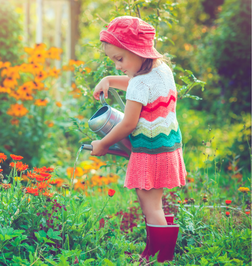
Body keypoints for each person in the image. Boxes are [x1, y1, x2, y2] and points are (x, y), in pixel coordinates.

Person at [90, 16, 187, 263]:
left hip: (151, 152)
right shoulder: (161, 70)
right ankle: (153, 249)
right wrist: (110, 81)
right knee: (153, 203)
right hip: (167, 148)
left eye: (119, 59)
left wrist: (103, 144)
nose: (117, 66)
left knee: (151, 206)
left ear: (137, 51)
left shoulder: (140, 82)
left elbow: (128, 123)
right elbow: (139, 87)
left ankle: (161, 257)